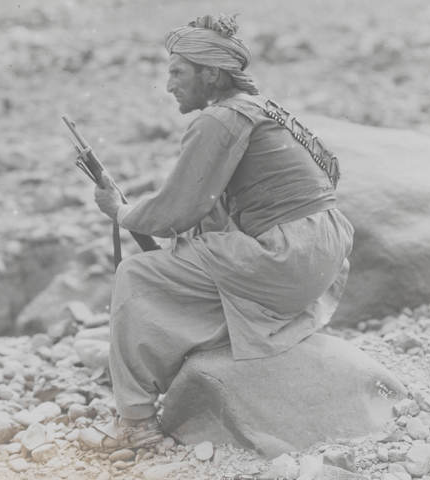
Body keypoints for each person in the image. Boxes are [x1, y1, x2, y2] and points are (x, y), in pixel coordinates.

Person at [90, 13, 354, 452]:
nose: (169, 84)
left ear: (211, 73)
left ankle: (135, 421)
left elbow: (177, 209)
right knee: (201, 249)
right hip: (324, 249)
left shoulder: (220, 118)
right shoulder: (267, 108)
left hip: (287, 256)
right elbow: (328, 172)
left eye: (177, 72)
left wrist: (120, 211)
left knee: (136, 276)